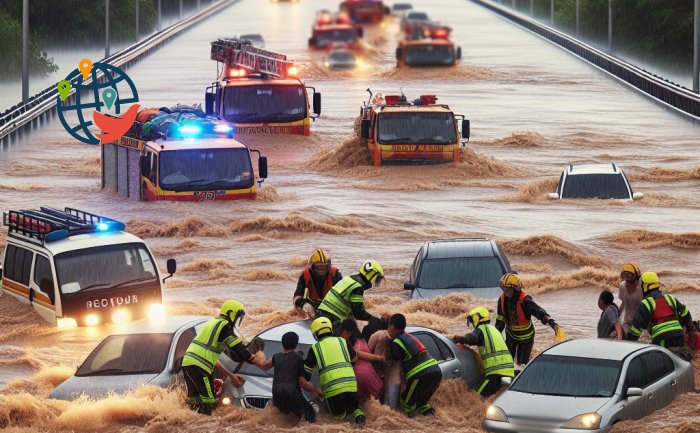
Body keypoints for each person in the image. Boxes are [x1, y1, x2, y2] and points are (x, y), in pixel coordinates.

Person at [182, 300, 267, 415]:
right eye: (238, 317)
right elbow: (239, 350)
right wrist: (259, 363)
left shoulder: (212, 323)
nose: (237, 321)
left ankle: (189, 422)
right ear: (231, 314)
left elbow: (219, 359)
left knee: (194, 400)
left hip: (188, 363)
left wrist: (231, 375)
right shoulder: (224, 326)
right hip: (200, 367)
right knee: (210, 401)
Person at [304, 317, 366, 427]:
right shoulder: (342, 341)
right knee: (353, 409)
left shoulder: (315, 348)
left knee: (338, 421)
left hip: (333, 389)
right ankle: (359, 417)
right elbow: (355, 359)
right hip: (351, 384)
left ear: (315, 334)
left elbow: (306, 374)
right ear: (330, 329)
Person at [495, 273, 564, 365]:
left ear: (515, 289)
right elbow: (500, 320)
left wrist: (552, 324)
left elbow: (539, 312)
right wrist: (495, 335)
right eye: (503, 289)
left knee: (521, 364)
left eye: (508, 289)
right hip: (511, 336)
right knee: (507, 362)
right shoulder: (502, 300)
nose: (505, 292)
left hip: (526, 338)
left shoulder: (525, 300)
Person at [259, 332, 322, 423]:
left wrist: (259, 352)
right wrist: (316, 390)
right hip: (292, 391)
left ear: (283, 343)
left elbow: (264, 366)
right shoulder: (298, 358)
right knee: (310, 416)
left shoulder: (275, 357)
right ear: (296, 344)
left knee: (285, 419)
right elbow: (303, 383)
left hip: (276, 392)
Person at [451, 307, 514, 398]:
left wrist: (460, 339)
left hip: (495, 374)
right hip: (509, 372)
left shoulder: (482, 329)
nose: (472, 323)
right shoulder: (494, 330)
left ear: (477, 318)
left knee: (477, 398)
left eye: (472, 320)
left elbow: (472, 338)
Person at [387, 313, 441, 417]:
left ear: (392, 326)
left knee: (405, 403)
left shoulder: (397, 341)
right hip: (436, 372)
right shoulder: (410, 336)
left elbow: (393, 360)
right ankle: (434, 423)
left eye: (389, 325)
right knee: (421, 404)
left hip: (420, 375)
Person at [627, 272, 695, 348]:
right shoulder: (670, 298)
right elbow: (685, 313)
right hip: (678, 335)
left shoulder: (646, 303)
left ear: (645, 286)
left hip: (662, 338)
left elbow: (635, 329)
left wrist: (628, 344)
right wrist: (692, 330)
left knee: (665, 358)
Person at [317, 260, 384, 330]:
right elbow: (359, 313)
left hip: (321, 314)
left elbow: (352, 310)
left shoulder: (348, 279)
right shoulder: (357, 287)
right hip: (331, 319)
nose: (375, 282)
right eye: (377, 279)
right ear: (371, 275)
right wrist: (374, 318)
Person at [338, 319, 385, 402]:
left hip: (357, 375)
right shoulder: (360, 339)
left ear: (345, 330)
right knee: (377, 401)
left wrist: (379, 358)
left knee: (360, 403)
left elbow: (358, 353)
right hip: (369, 372)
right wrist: (379, 358)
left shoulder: (350, 341)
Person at [368, 326, 403, 410]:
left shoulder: (400, 341)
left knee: (388, 408)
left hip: (389, 378)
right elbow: (367, 354)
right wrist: (379, 358)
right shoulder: (378, 336)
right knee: (374, 405)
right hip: (375, 375)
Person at [618, 262, 643, 333]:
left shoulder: (642, 288)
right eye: (625, 275)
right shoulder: (622, 286)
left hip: (640, 322)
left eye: (629, 275)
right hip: (626, 321)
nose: (627, 278)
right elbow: (623, 303)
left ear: (636, 276)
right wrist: (617, 318)